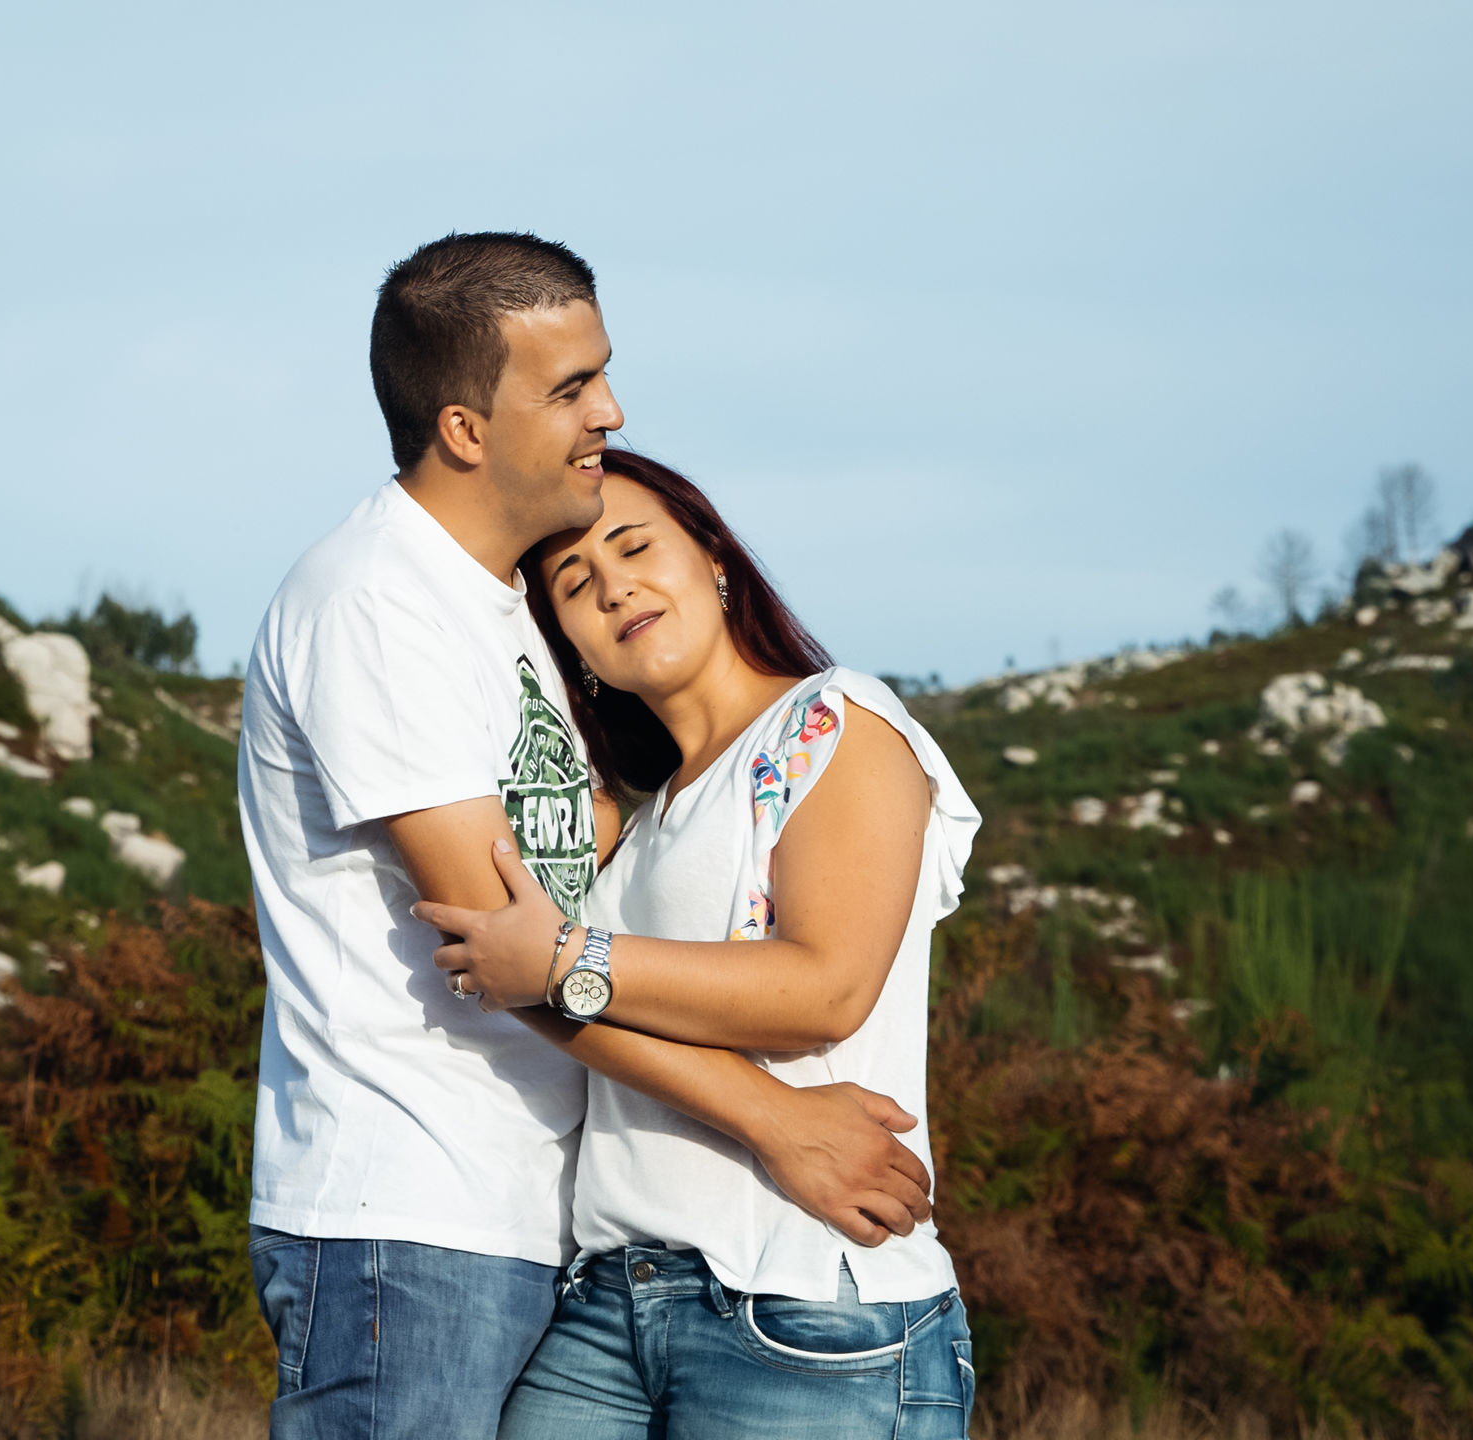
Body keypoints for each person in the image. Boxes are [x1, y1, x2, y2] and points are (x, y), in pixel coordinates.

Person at [237, 235, 942, 1440]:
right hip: (409, 1215)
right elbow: (508, 952)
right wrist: (776, 1120)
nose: (607, 411)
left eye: (600, 376)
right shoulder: (378, 602)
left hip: (538, 1227)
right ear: (466, 429)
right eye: (570, 388)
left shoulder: (502, 610)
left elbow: (569, 907)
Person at [412, 449, 983, 1437]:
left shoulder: (833, 722)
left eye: (635, 547)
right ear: (575, 651)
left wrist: (561, 963)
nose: (614, 584)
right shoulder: (635, 832)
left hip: (804, 1302)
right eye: (575, 585)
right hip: (605, 1305)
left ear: (714, 557)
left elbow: (825, 989)